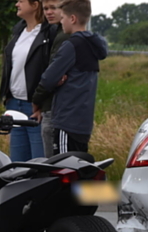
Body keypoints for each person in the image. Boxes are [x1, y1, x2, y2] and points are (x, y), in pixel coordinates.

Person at [39, 0, 106, 155]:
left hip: (66, 120)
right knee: (79, 165)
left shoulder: (71, 45)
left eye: (62, 18)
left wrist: (56, 81)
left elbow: (47, 79)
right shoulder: (94, 44)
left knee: (64, 168)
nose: (60, 22)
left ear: (73, 19)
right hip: (84, 121)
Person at [0, 0, 56, 161]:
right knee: (17, 164)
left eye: (21, 1)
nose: (16, 4)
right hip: (14, 104)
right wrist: (7, 96)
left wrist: (42, 105)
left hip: (34, 108)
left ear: (35, 4)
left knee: (38, 164)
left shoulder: (49, 33)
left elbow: (50, 72)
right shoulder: (18, 31)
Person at [31, 0, 70, 157]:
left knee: (54, 163)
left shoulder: (63, 37)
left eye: (53, 8)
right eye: (46, 8)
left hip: (53, 108)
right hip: (53, 106)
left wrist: (36, 100)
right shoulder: (55, 32)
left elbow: (51, 76)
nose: (48, 12)